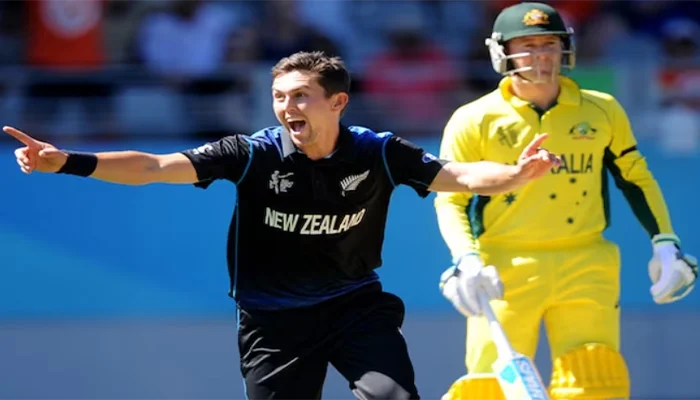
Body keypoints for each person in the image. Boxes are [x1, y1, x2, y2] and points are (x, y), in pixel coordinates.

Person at [6, 51, 559, 400]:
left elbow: (457, 174)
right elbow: (153, 167)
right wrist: (68, 161)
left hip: (354, 306)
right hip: (273, 322)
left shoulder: (380, 152)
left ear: (337, 102)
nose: (286, 106)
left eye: (300, 96)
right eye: (278, 97)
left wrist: (516, 174)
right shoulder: (250, 154)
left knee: (393, 396)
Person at [435, 3, 698, 400]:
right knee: (490, 386)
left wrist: (665, 242)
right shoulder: (474, 119)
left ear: (565, 49)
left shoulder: (602, 109)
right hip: (504, 266)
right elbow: (449, 200)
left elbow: (635, 178)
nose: (540, 55)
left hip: (586, 262)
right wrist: (465, 258)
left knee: (594, 379)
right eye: (527, 45)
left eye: (549, 44)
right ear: (501, 51)